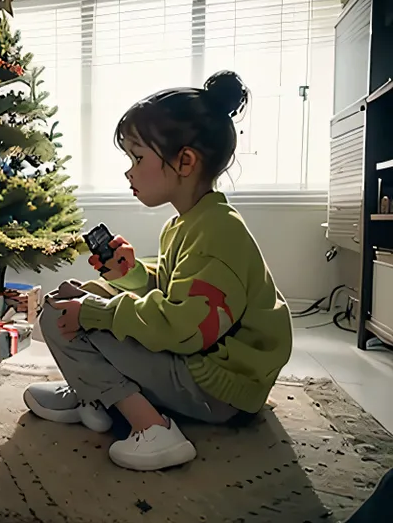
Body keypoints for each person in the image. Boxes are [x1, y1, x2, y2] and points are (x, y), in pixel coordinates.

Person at [23, 70, 293, 472]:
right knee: (73, 295)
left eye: (138, 157)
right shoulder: (189, 222)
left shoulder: (219, 232)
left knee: (64, 313)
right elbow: (172, 292)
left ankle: (152, 428)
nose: (129, 171)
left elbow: (183, 330)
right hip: (205, 367)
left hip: (216, 388)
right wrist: (130, 273)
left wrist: (95, 312)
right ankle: (96, 395)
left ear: (184, 161)